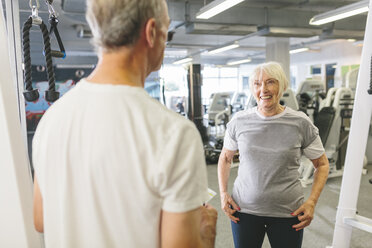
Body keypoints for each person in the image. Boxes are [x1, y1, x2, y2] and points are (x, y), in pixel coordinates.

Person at [32, 0, 217, 247]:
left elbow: (41, 219)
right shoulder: (174, 133)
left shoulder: (51, 120)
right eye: (167, 33)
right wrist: (205, 234)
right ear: (151, 32)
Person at [218, 62, 329, 248]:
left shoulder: (300, 122)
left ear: (283, 86)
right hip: (244, 211)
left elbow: (322, 164)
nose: (263, 89)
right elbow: (225, 158)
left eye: (270, 82)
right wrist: (222, 193)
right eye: (257, 83)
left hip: (288, 213)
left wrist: (312, 202)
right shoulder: (239, 121)